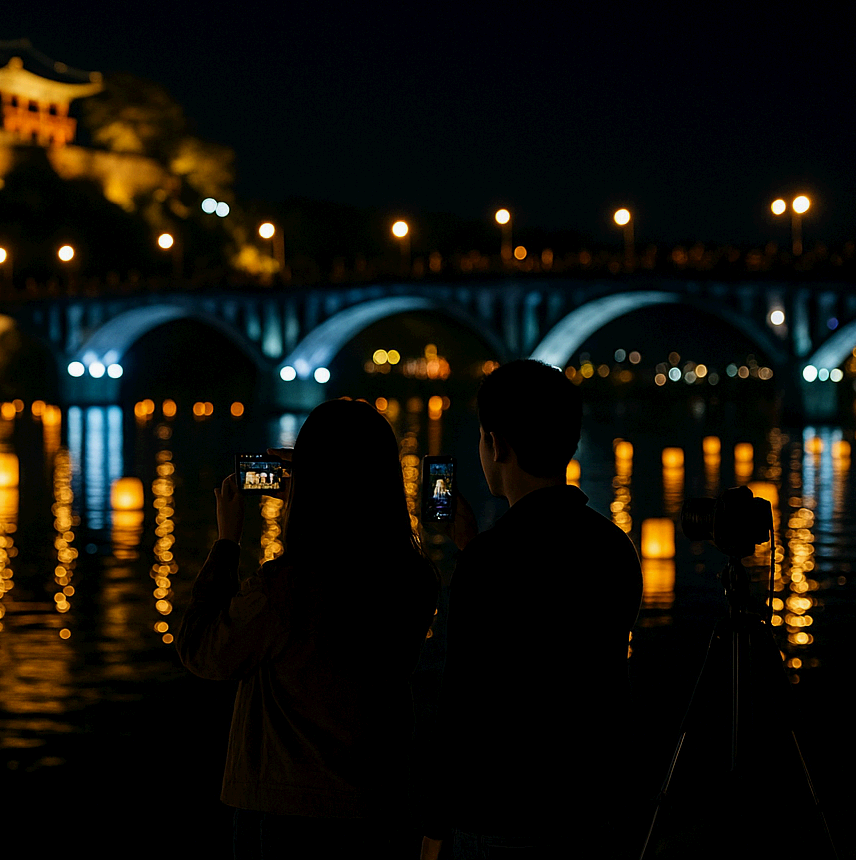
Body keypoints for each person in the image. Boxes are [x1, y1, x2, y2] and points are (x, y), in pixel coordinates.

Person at [177, 397, 440, 857]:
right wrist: (318, 490)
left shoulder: (287, 587)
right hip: (377, 803)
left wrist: (226, 543)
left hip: (286, 811)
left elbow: (204, 651)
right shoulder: (414, 580)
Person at [420, 359, 642, 860]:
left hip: (502, 816)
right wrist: (473, 549)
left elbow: (462, 704)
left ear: (496, 445)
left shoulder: (489, 563)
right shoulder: (614, 548)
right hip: (587, 812)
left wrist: (435, 828)